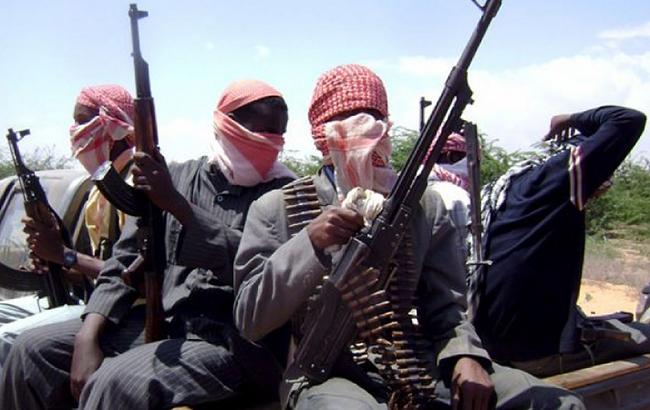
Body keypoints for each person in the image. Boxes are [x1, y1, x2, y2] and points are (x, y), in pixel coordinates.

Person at [234, 64, 584, 409]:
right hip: (326, 372)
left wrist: (465, 354)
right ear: (321, 130)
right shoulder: (278, 208)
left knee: (555, 404)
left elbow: (446, 306)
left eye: (373, 117)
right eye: (348, 117)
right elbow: (250, 320)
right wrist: (309, 243)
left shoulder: (423, 205)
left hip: (412, 361)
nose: (364, 128)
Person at [0, 79, 295, 409]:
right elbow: (124, 259)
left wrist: (178, 206)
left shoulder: (287, 195)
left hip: (230, 342)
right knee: (31, 353)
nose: (268, 142)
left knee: (117, 384)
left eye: (277, 133)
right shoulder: (179, 176)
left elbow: (262, 274)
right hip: (163, 322)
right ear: (224, 124)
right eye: (257, 131)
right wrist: (89, 333)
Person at [472, 106, 650, 377]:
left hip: (490, 343)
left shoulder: (509, 189)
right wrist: (569, 119)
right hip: (533, 353)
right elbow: (628, 119)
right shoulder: (561, 180)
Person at [0, 85, 135, 370]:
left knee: (6, 340)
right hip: (92, 298)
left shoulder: (135, 185)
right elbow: (95, 271)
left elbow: (133, 276)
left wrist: (64, 255)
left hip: (121, 312)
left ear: (112, 124)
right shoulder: (99, 190)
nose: (75, 131)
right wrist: (54, 264)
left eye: (83, 120)